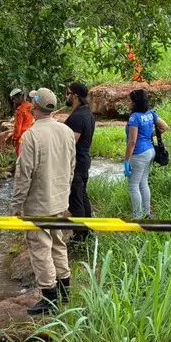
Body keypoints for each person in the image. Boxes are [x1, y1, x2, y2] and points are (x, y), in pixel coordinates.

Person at [9, 88, 76, 315]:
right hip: (59, 199)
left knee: (40, 247)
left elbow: (23, 175)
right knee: (58, 242)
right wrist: (64, 193)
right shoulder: (66, 131)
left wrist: (16, 206)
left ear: (34, 107)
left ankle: (50, 297)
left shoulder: (31, 136)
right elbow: (71, 167)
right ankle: (65, 288)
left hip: (38, 203)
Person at [124, 88, 168, 220]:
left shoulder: (134, 118)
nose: (129, 103)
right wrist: (149, 134)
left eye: (130, 101)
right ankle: (147, 214)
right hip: (150, 151)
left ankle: (137, 217)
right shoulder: (151, 114)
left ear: (134, 102)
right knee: (143, 183)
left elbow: (132, 141)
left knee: (133, 185)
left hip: (139, 153)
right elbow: (165, 127)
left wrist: (126, 160)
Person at [63, 81, 95, 235]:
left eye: (68, 93)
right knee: (82, 195)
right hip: (84, 160)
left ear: (75, 96)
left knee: (75, 200)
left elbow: (71, 143)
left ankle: (80, 236)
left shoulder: (77, 117)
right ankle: (87, 231)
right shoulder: (87, 113)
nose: (66, 96)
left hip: (76, 162)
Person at [10, 87, 34, 156]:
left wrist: (14, 138)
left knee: (20, 153)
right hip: (31, 134)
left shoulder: (19, 110)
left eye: (14, 99)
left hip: (22, 136)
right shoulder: (31, 106)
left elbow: (18, 127)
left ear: (19, 97)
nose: (13, 101)